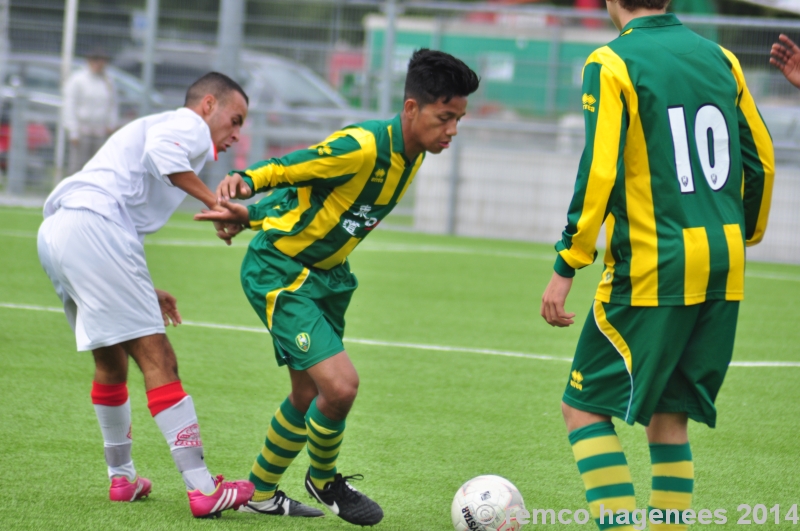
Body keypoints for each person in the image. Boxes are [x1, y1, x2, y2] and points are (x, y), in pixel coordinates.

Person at [195, 49, 480, 525]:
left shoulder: (413, 155)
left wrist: (252, 217)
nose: (452, 130)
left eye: (459, 120)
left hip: (327, 280)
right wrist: (244, 183)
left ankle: (262, 491)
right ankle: (324, 479)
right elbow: (295, 168)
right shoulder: (364, 145)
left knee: (307, 394)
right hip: (281, 272)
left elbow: (308, 200)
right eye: (445, 117)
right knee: (341, 386)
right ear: (412, 109)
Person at [540, 1, 774, 530]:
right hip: (723, 259)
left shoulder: (613, 60)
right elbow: (760, 154)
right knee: (669, 418)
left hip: (656, 262)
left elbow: (599, 168)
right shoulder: (721, 58)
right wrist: (747, 231)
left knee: (582, 406)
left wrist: (568, 261)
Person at [37, 72, 254, 518]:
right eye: (235, 120)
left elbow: (122, 209)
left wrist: (145, 288)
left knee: (110, 359)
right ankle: (202, 489)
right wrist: (215, 203)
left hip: (60, 232)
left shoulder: (159, 124)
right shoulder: (188, 125)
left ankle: (123, 479)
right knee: (159, 359)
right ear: (209, 105)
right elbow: (164, 157)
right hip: (94, 227)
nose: (236, 134)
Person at [63, 49, 120, 175]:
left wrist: (111, 125)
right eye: (96, 61)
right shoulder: (78, 80)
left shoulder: (107, 81)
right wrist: (73, 131)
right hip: (82, 131)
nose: (99, 65)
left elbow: (112, 104)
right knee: (77, 167)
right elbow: (70, 106)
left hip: (100, 132)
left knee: (98, 168)